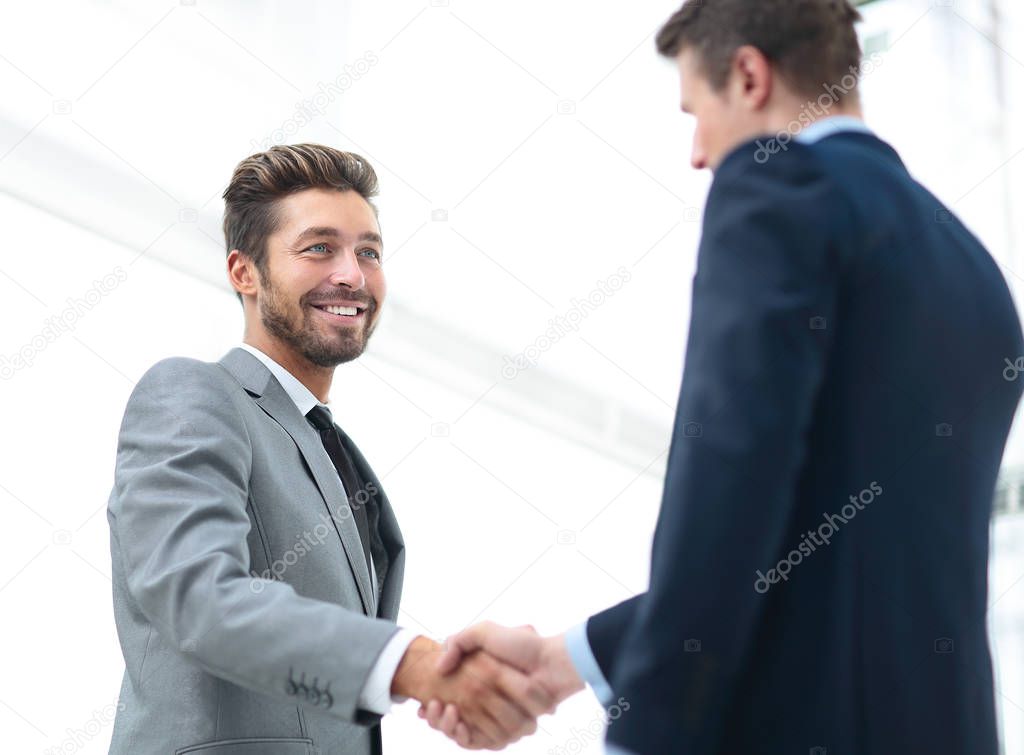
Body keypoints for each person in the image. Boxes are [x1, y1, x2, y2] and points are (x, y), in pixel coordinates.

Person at [428, 1, 1024, 753]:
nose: (698, 153)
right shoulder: (973, 269)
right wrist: (559, 662)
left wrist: (650, 729)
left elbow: (731, 486)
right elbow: (815, 544)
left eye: (694, 110)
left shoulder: (776, 189)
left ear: (748, 76)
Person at [106, 144, 552, 754]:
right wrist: (414, 666)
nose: (353, 274)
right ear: (245, 273)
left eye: (369, 251)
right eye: (320, 248)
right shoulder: (193, 393)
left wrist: (439, 680)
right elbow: (199, 598)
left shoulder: (331, 446)